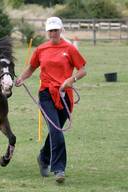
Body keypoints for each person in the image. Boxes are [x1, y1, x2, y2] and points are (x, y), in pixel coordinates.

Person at [15, 17, 87, 183]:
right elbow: (32, 67)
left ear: (61, 30)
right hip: (46, 95)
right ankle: (59, 169)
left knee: (56, 132)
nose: (53, 33)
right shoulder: (41, 49)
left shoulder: (69, 49)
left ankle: (43, 157)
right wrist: (21, 79)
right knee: (56, 132)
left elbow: (82, 70)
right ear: (47, 32)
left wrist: (71, 80)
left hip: (65, 95)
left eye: (56, 30)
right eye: (50, 30)